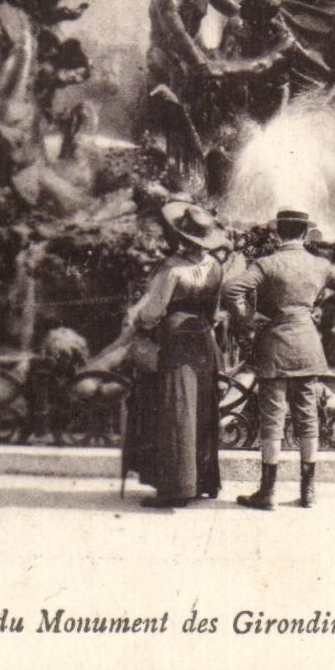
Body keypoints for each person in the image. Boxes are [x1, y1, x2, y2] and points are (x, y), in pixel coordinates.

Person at [224, 208, 335, 510]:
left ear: (277, 233)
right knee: (308, 418)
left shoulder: (265, 264)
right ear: (304, 234)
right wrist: (325, 314)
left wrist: (246, 320)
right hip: (307, 344)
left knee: (271, 419)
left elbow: (232, 289)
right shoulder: (320, 265)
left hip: (274, 345)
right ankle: (308, 492)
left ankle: (267, 493)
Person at [116, 200, 232, 508]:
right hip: (203, 341)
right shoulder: (215, 267)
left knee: (176, 409)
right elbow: (215, 312)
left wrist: (139, 321)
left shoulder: (171, 269)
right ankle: (202, 481)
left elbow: (153, 312)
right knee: (201, 408)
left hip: (176, 341)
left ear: (181, 236)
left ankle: (175, 489)